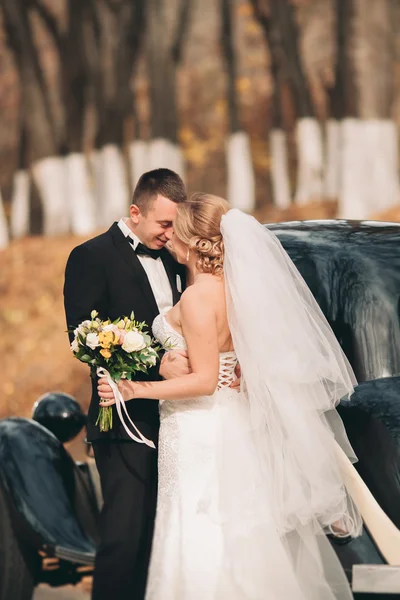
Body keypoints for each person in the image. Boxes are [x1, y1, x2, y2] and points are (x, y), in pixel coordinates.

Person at [98, 193, 364, 599]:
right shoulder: (236, 291)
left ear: (192, 242)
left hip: (199, 427)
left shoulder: (197, 297)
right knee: (242, 530)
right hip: (232, 420)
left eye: (176, 232)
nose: (169, 239)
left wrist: (133, 389)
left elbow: (204, 380)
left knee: (201, 529)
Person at [64, 169, 191, 600]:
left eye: (177, 224)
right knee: (126, 534)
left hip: (183, 416)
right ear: (135, 212)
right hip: (122, 417)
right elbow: (82, 338)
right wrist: (159, 366)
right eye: (164, 224)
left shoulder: (178, 256)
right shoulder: (90, 256)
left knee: (168, 535)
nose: (171, 234)